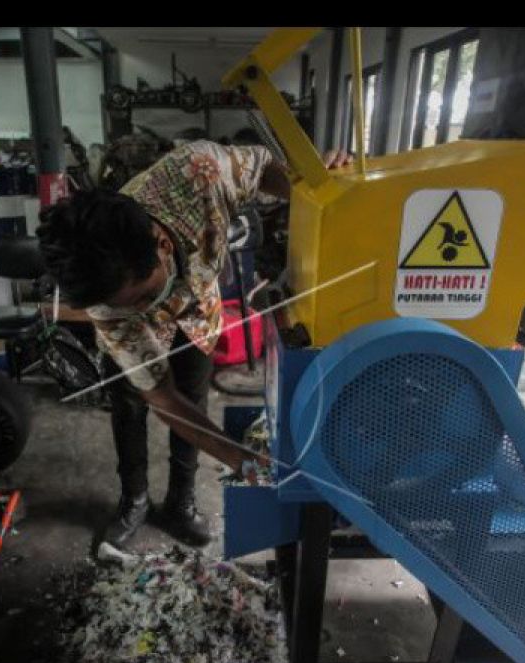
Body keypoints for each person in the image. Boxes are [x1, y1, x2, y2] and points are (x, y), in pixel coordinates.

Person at [37, 140, 350, 548]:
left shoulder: (201, 173)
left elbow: (263, 168)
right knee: (130, 405)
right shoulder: (111, 310)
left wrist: (314, 191)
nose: (145, 311)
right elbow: (163, 400)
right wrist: (245, 462)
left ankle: (180, 503)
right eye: (125, 307)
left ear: (161, 245)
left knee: (194, 396)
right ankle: (134, 500)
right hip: (139, 344)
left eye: (144, 298)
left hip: (199, 311)